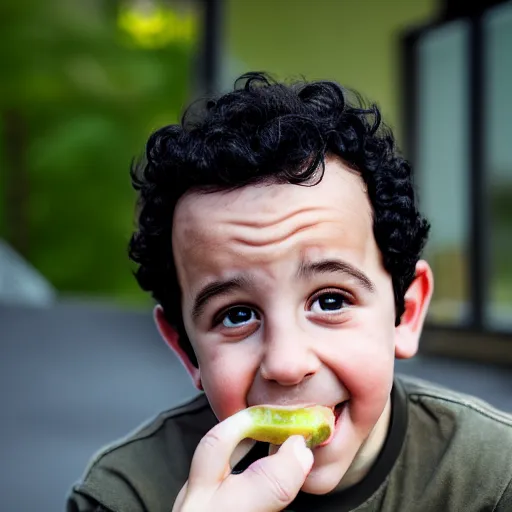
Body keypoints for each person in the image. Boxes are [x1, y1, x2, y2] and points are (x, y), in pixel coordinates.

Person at [67, 72, 512, 512]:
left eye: (331, 301)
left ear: (406, 311)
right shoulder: (124, 497)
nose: (286, 364)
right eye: (236, 315)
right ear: (187, 351)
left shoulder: (495, 479)